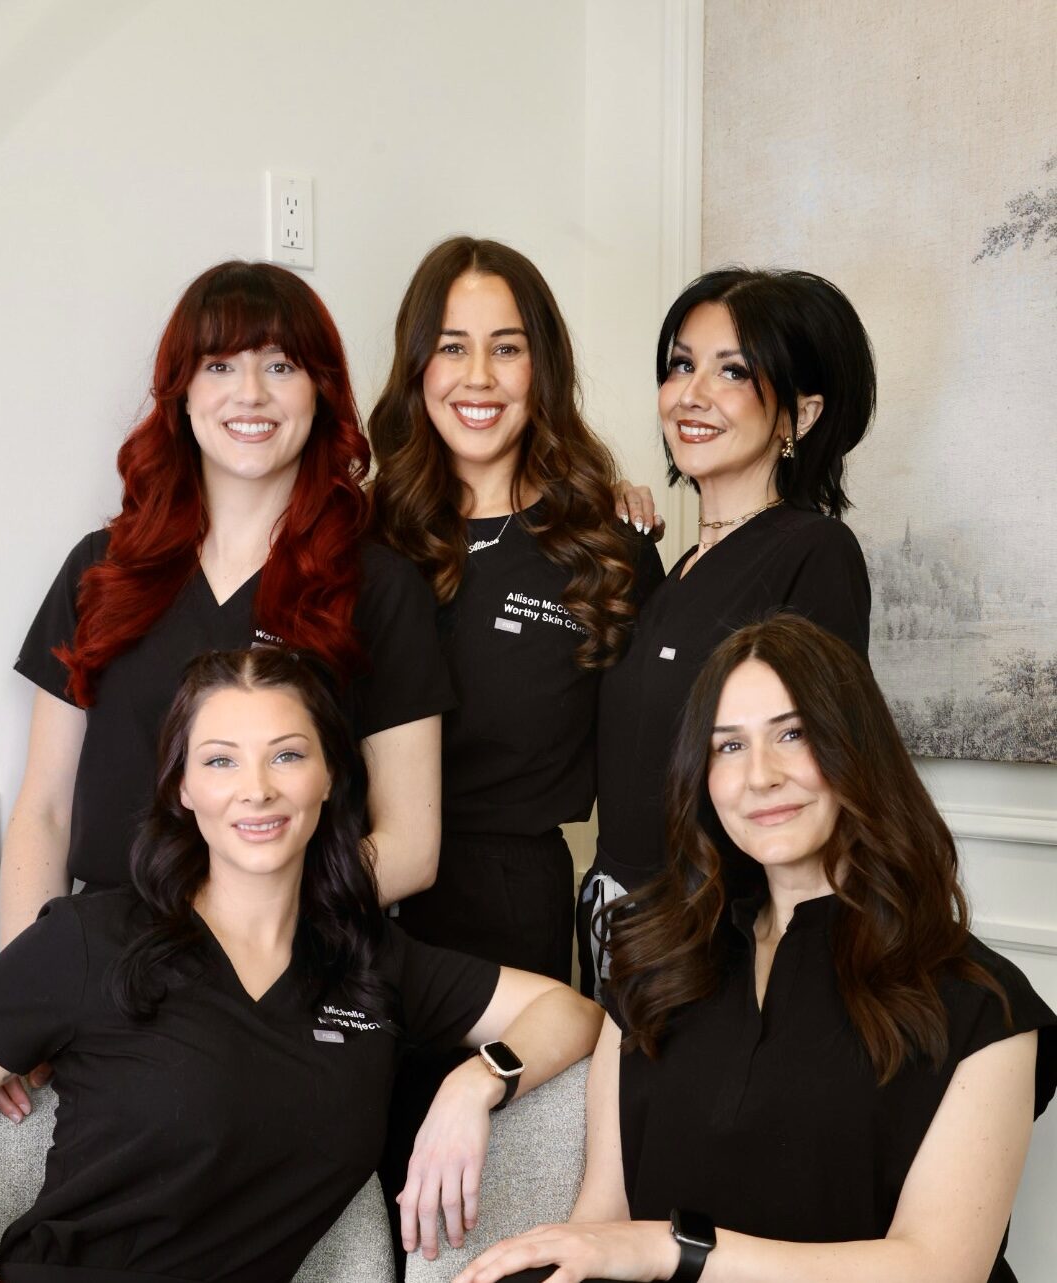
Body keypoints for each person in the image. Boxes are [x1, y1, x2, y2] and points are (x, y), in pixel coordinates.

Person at [453, 614, 1057, 1283]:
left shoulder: (982, 1004)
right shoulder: (653, 963)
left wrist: (674, 1250)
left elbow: (938, 1269)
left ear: (857, 748)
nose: (759, 776)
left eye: (793, 734)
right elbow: (603, 1218)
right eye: (729, 746)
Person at [0, 259, 452, 1118]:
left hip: (284, 975)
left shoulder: (380, 589)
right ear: (182, 393)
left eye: (281, 365)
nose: (251, 393)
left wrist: (244, 925)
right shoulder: (100, 571)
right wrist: (27, 995)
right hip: (103, 974)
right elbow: (44, 810)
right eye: (220, 365)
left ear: (321, 392)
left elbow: (412, 842)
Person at [0, 647, 603, 1283]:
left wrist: (477, 1083)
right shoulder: (90, 938)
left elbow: (571, 1011)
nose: (257, 790)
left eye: (287, 756)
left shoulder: (369, 961)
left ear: (329, 775)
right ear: (183, 788)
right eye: (221, 760)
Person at [370, 235, 664, 982]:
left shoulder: (606, 548)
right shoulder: (361, 534)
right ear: (417, 365)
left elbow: (654, 771)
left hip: (510, 909)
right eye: (452, 347)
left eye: (506, 349)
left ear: (544, 368)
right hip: (353, 894)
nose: (479, 376)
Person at [581, 266, 877, 995]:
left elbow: (821, 775)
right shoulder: (671, 571)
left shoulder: (815, 551)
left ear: (801, 415)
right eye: (682, 365)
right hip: (615, 922)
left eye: (733, 371)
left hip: (717, 933)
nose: (692, 393)